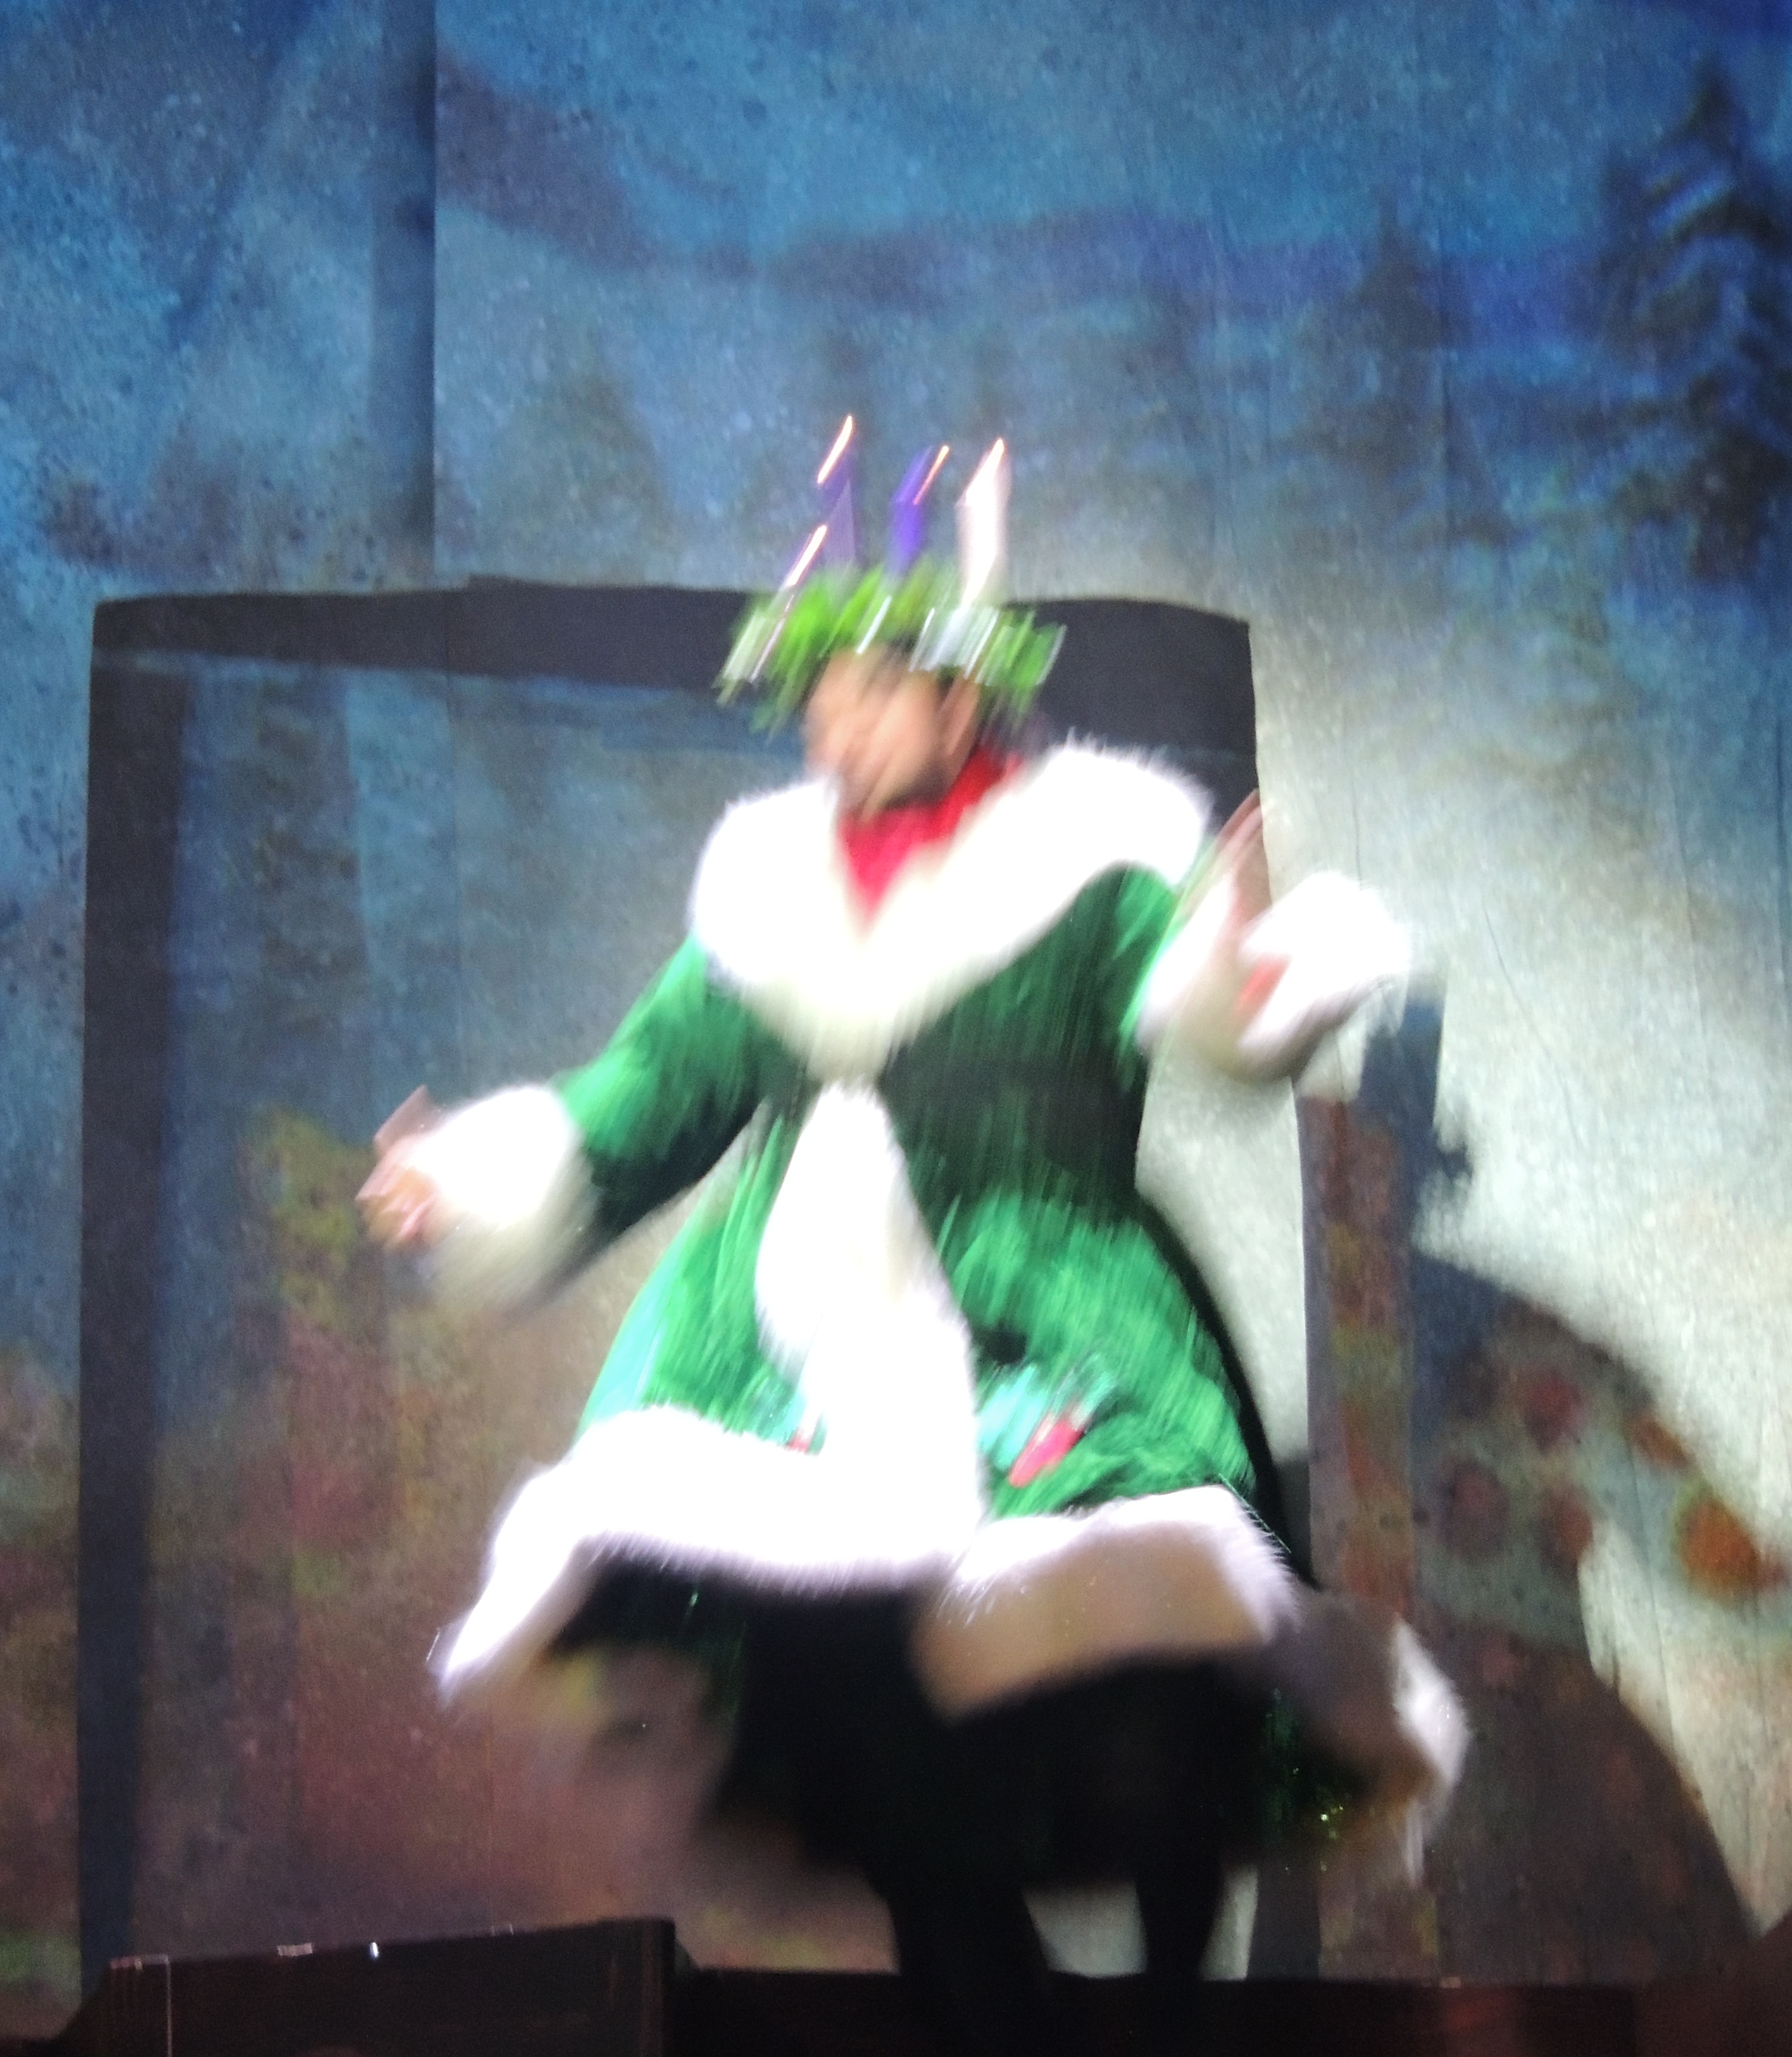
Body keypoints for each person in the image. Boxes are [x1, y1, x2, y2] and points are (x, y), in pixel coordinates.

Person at [359, 449, 1464, 2057]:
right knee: (866, 1723)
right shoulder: (765, 894)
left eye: (870, 692)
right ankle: (986, 2007)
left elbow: (1216, 1010)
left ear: (961, 699)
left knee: (1148, 1683)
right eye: (819, 699)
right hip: (811, 1355)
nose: (835, 729)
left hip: (1052, 1324)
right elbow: (645, 1095)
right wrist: (467, 1181)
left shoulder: (1097, 854)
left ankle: (1167, 2009)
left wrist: (1245, 962)